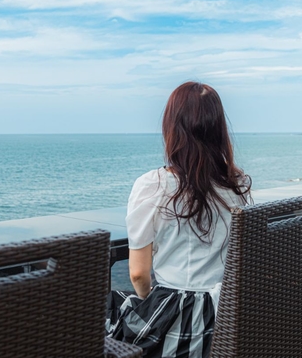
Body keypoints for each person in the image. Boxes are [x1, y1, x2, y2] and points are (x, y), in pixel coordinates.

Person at [106, 82, 252, 358]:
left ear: (172, 128)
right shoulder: (237, 183)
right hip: (227, 313)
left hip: (179, 321)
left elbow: (138, 273)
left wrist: (153, 305)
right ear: (218, 128)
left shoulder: (154, 185)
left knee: (97, 314)